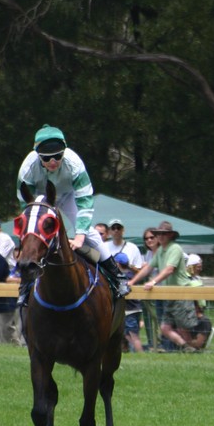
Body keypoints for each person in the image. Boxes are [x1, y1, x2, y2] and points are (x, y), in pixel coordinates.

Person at [16, 124, 129, 304]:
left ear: (65, 151)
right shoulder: (27, 168)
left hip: (69, 196)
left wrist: (79, 238)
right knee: (32, 230)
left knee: (90, 234)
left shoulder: (75, 163)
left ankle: (117, 277)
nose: (53, 161)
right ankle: (25, 285)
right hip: (41, 197)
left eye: (58, 156)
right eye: (47, 158)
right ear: (38, 155)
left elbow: (85, 201)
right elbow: (26, 204)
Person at [128, 221, 206, 352]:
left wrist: (153, 282)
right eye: (158, 234)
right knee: (165, 328)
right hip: (169, 294)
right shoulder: (160, 251)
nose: (160, 237)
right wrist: (132, 282)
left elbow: (169, 269)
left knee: (182, 328)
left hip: (181, 293)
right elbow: (148, 268)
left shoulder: (175, 248)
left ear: (170, 235)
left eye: (164, 234)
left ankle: (192, 349)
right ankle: (187, 348)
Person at [113, 252, 143, 353]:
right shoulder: (132, 274)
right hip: (136, 308)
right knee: (128, 334)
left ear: (117, 264)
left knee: (133, 335)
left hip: (130, 310)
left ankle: (140, 353)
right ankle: (134, 351)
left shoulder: (123, 277)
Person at [139, 227, 160, 350]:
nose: (149, 240)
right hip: (150, 290)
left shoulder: (164, 251)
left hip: (164, 290)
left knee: (159, 318)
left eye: (152, 237)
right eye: (146, 238)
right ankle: (153, 343)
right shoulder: (148, 254)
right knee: (152, 318)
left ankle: (160, 344)